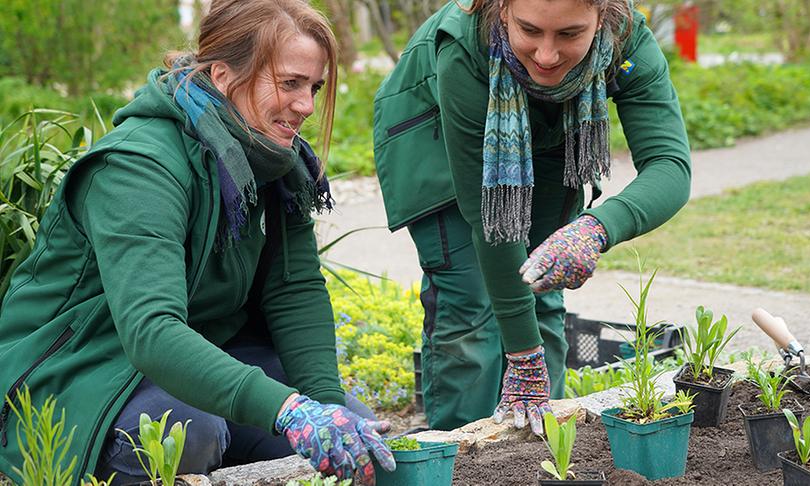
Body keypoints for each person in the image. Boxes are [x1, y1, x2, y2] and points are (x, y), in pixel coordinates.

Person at [0, 0, 395, 483]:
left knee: (359, 435)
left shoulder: (272, 159)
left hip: (197, 361)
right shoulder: (137, 166)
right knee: (183, 432)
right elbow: (152, 330)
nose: (307, 106)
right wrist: (287, 408)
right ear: (224, 75)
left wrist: (327, 409)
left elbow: (294, 292)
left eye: (313, 87)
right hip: (81, 371)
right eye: (289, 83)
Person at [373, 0, 691, 434]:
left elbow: (670, 164)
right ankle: (464, 458)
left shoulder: (626, 38)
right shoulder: (464, 47)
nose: (545, 54)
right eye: (530, 30)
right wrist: (523, 358)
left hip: (546, 138)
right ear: (502, 10)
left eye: (569, 35)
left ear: (604, 18)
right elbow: (491, 222)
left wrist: (596, 228)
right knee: (472, 303)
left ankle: (541, 447)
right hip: (436, 138)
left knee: (543, 286)